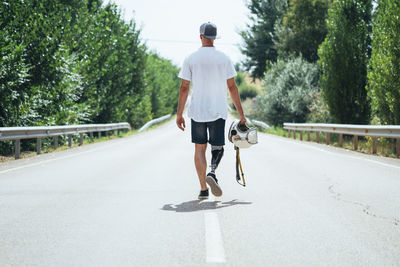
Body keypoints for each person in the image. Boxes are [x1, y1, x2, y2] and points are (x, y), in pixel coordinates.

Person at [176, 22, 246, 200]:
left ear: (200, 36)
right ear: (214, 38)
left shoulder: (190, 58)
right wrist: (241, 114)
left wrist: (179, 114)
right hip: (217, 110)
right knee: (218, 147)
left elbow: (184, 88)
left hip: (197, 111)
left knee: (199, 149)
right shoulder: (224, 58)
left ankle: (203, 189)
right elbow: (232, 87)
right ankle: (212, 172)